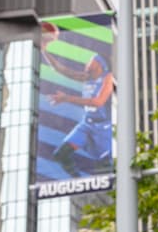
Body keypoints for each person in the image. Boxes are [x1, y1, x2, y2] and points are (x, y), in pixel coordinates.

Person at [38, 25, 114, 175]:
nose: (86, 65)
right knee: (61, 155)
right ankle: (77, 181)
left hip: (103, 129)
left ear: (99, 64)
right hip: (86, 124)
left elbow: (98, 102)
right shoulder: (87, 77)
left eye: (90, 62)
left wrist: (66, 98)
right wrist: (44, 51)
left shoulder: (107, 78)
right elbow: (61, 69)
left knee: (103, 168)